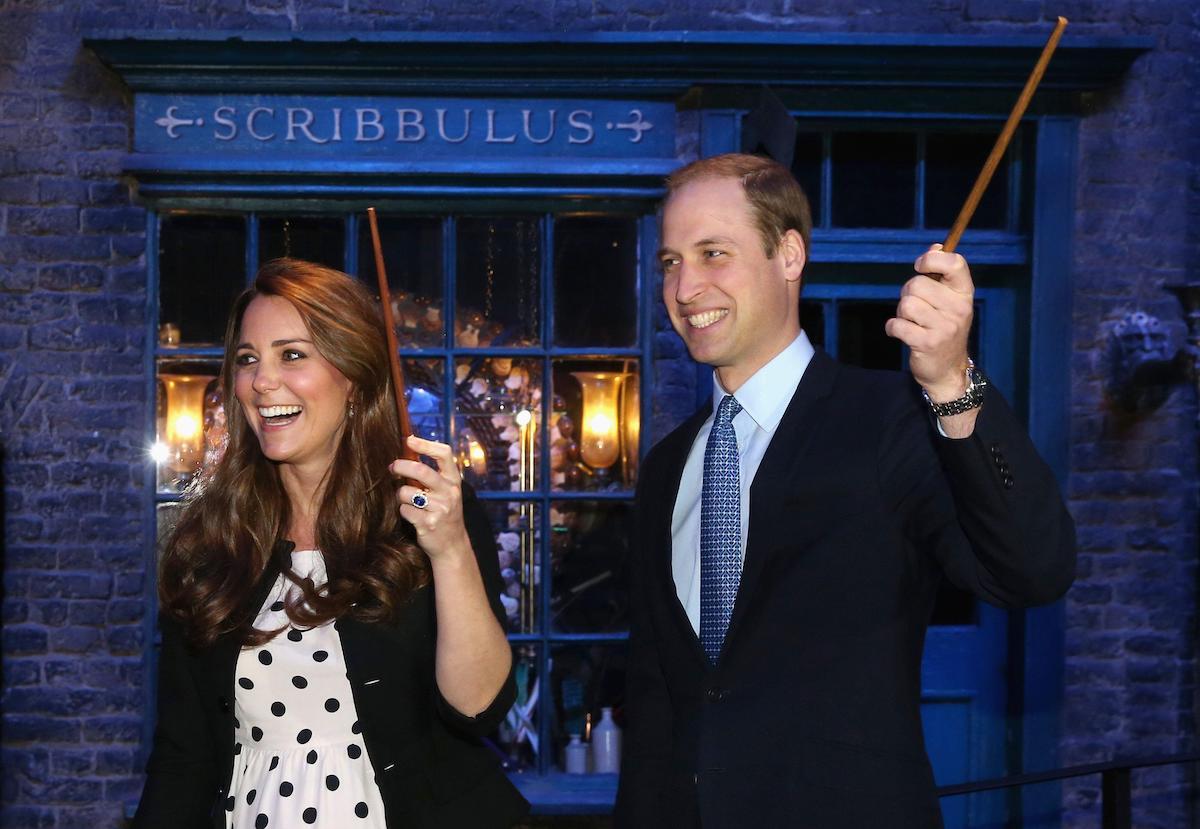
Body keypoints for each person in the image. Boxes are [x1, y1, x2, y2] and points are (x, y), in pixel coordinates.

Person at [614, 153, 1075, 828]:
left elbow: (1033, 568)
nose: (685, 288)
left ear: (789, 254)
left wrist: (953, 385)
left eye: (713, 254)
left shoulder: (889, 420)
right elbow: (657, 700)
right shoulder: (666, 466)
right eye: (670, 262)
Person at [134, 259, 529, 829]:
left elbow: (477, 709)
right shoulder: (212, 538)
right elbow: (182, 756)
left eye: (292, 355)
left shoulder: (424, 513)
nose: (262, 381)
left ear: (354, 377)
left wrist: (449, 550)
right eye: (247, 359)